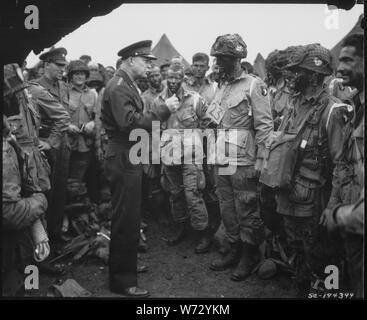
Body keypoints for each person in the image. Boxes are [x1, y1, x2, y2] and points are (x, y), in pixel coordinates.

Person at [101, 40, 179, 297]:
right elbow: (130, 123)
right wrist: (163, 110)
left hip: (128, 153)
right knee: (126, 217)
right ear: (131, 60)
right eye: (146, 61)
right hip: (124, 154)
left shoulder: (125, 83)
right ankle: (123, 281)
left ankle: (126, 266)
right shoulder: (120, 86)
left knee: (131, 215)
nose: (149, 66)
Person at [274, 44, 353, 296]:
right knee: (297, 250)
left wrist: (332, 207)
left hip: (315, 202)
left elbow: (342, 165)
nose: (291, 76)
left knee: (321, 256)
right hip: (289, 193)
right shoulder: (294, 104)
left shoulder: (333, 110)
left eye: (298, 72)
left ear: (315, 76)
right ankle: (303, 286)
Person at [208, 34, 273, 281]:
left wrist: (262, 161)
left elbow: (265, 127)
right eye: (217, 57)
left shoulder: (255, 86)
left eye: (222, 58)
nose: (218, 62)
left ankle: (250, 253)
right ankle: (233, 249)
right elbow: (215, 120)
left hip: (244, 160)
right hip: (221, 158)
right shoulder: (221, 86)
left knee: (247, 208)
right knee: (227, 207)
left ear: (235, 59)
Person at [320, 33, 364, 298]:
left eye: (348, 60)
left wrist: (340, 216)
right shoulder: (356, 106)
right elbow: (345, 164)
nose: (339, 68)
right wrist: (335, 205)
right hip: (352, 219)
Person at [154, 64, 212, 253]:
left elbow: (210, 121)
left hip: (191, 154)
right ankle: (181, 226)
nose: (172, 82)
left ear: (183, 79)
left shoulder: (195, 98)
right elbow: (154, 128)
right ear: (165, 77)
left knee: (192, 193)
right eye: (169, 78)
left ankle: (203, 232)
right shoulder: (159, 100)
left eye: (176, 78)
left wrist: (201, 141)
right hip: (169, 154)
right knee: (175, 193)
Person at [2, 116, 48, 296]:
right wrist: (38, 202)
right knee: (27, 249)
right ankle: (29, 288)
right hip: (12, 212)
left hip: (17, 199)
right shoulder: (5, 152)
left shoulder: (10, 146)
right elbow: (8, 209)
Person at [35, 47, 72, 243]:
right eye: (58, 65)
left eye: (64, 66)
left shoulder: (63, 86)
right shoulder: (34, 88)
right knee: (45, 192)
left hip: (62, 145)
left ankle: (56, 234)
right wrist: (49, 143)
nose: (62, 69)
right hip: (46, 145)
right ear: (46, 64)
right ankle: (44, 240)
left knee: (60, 191)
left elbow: (65, 116)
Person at [66, 60, 97, 198]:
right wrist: (66, 125)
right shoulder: (64, 92)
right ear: (71, 76)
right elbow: (55, 115)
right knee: (64, 180)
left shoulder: (93, 94)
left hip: (85, 144)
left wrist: (93, 124)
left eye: (82, 74)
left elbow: (100, 117)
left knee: (79, 180)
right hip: (67, 143)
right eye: (76, 74)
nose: (80, 77)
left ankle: (78, 210)